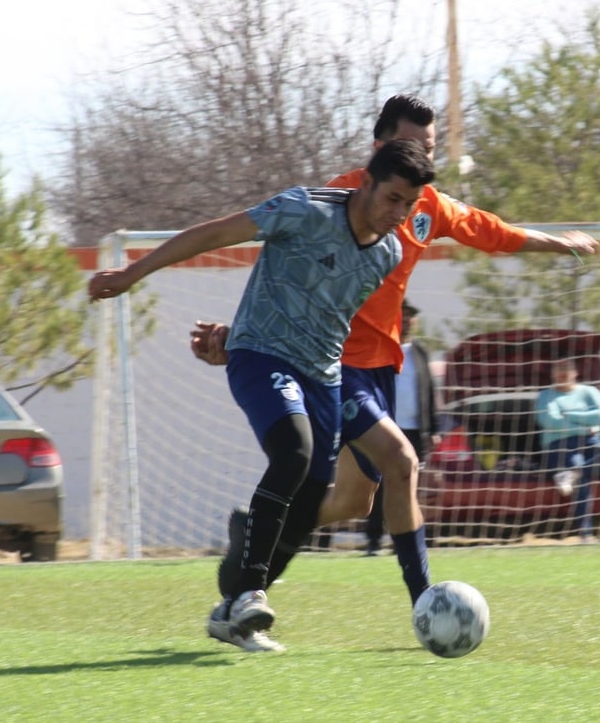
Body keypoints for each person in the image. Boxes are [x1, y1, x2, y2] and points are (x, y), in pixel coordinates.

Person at [193, 94, 600, 643]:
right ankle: (426, 603)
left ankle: (249, 557)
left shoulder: (425, 203)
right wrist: (236, 335)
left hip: (381, 366)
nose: (424, 155)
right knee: (402, 461)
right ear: (380, 145)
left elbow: (491, 230)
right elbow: (282, 272)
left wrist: (560, 244)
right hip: (332, 363)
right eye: (413, 144)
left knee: (353, 501)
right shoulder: (341, 197)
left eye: (430, 147)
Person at [90, 138, 436, 653]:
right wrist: (131, 273)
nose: (399, 213)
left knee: (312, 493)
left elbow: (322, 311)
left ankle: (235, 612)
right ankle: (250, 591)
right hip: (262, 356)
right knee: (292, 451)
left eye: (409, 204)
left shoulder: (385, 255)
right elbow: (215, 233)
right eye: (392, 198)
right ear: (366, 182)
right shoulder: (303, 209)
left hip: (324, 376)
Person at [363, 299, 438, 555]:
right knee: (379, 486)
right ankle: (373, 540)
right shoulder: (382, 350)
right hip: (384, 427)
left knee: (409, 489)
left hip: (415, 431)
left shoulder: (420, 353)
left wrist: (434, 428)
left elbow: (429, 391)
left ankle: (403, 542)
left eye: (410, 316)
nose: (406, 320)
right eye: (401, 315)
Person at [535, 358, 600, 540]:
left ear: (575, 372)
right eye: (558, 368)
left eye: (567, 368)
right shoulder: (546, 396)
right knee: (579, 470)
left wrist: (570, 415)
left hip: (592, 441)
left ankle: (571, 474)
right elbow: (550, 421)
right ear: (552, 374)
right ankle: (585, 534)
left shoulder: (590, 392)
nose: (563, 372)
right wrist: (583, 424)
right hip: (560, 445)